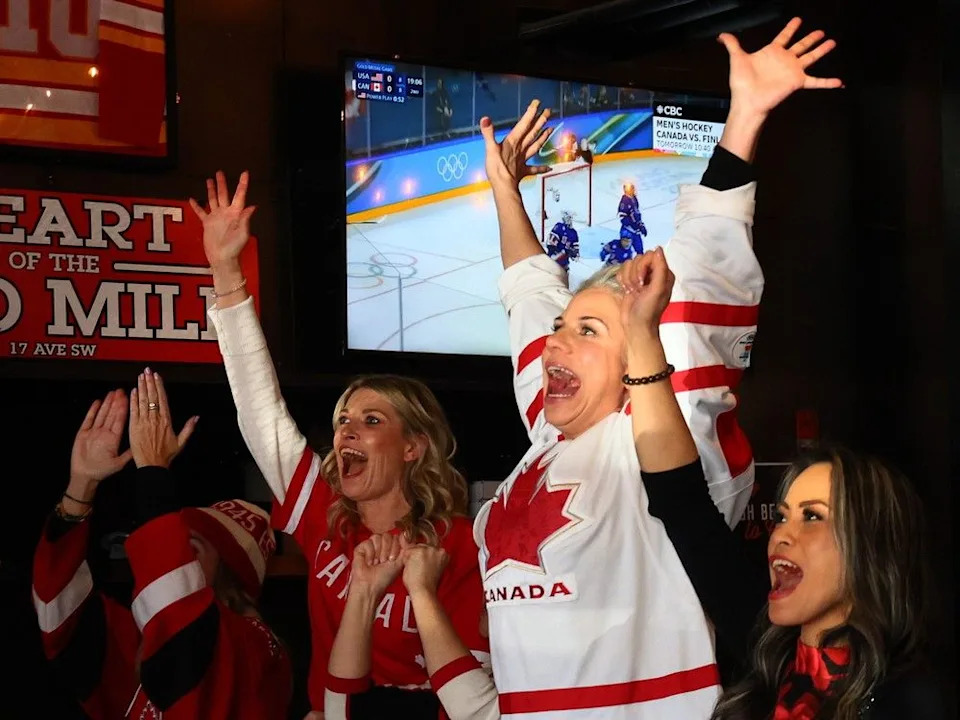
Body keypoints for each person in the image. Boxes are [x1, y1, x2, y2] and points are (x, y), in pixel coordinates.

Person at [420, 18, 839, 720]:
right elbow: (530, 295)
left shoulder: (658, 442)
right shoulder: (546, 435)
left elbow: (704, 259)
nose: (554, 344)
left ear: (641, 359)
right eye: (561, 331)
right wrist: (504, 189)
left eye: (587, 331)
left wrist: (744, 118)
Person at [192, 181, 489, 716]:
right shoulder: (324, 513)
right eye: (343, 420)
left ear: (413, 447)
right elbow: (261, 413)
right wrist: (226, 273)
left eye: (371, 421)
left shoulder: (458, 544)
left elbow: (472, 684)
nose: (347, 431)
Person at [32, 373, 291, 719]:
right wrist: (81, 487)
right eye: (175, 541)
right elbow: (58, 615)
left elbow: (183, 640)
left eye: (191, 547)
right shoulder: (148, 631)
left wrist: (154, 472)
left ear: (229, 572)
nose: (174, 554)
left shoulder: (257, 646)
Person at [618, 182, 647, 253]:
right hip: (627, 231)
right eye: (631, 189)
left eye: (633, 189)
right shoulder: (624, 201)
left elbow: (637, 214)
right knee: (625, 251)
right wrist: (632, 225)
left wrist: (641, 226)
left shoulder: (634, 199)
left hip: (636, 231)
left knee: (640, 251)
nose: (633, 190)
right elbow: (622, 217)